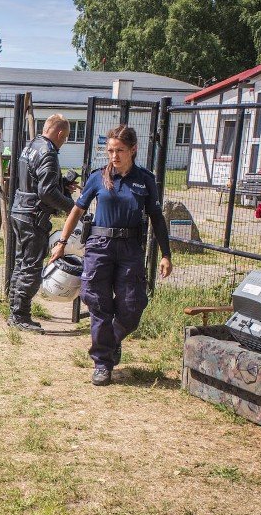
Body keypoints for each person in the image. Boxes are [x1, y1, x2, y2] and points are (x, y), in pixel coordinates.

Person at [50, 124, 172, 386]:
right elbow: (77, 211)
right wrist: (61, 242)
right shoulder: (98, 177)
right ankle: (102, 363)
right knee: (98, 304)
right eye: (110, 151)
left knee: (132, 306)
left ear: (133, 150)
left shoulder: (145, 180)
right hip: (100, 245)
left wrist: (166, 253)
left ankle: (111, 339)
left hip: (130, 248)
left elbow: (157, 219)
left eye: (120, 151)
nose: (114, 156)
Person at [8, 113, 76, 333]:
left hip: (20, 210)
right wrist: (70, 207)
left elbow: (34, 179)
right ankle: (20, 315)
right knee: (31, 266)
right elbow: (46, 192)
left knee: (21, 262)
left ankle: (15, 311)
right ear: (59, 133)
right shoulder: (49, 154)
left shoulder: (33, 145)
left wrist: (62, 183)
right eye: (65, 138)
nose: (63, 143)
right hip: (33, 216)